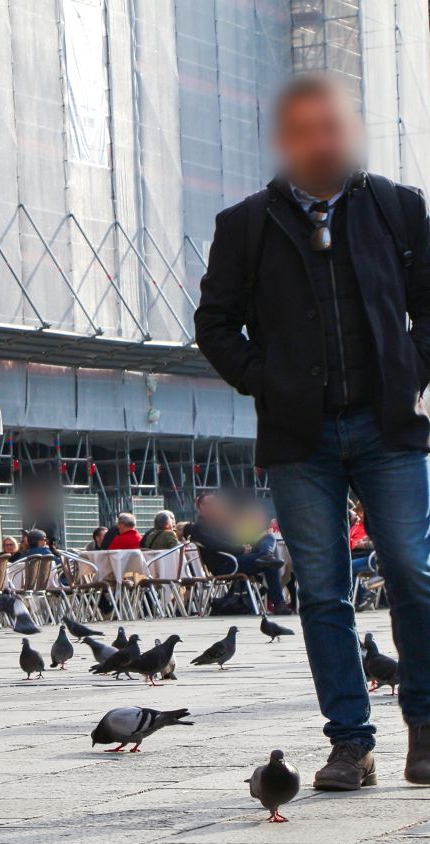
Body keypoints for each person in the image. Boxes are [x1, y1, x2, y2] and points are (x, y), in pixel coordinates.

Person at [192, 71, 430, 790]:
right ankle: (350, 743)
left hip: (388, 426)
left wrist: (409, 372)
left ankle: (425, 726)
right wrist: (270, 381)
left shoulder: (396, 207)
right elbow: (214, 325)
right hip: (301, 438)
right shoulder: (246, 224)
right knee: (322, 591)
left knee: (415, 578)